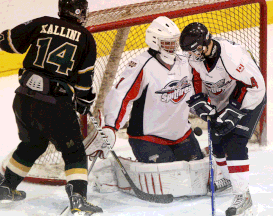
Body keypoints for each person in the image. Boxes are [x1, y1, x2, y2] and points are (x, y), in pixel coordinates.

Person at [0, 0, 103, 215]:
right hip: (55, 105)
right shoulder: (86, 37)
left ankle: (5, 188)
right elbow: (84, 80)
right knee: (74, 151)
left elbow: (7, 42)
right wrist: (84, 101)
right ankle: (78, 200)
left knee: (32, 144)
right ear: (82, 12)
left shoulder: (42, 23)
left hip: (23, 100)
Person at [86, 16, 209, 197]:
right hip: (149, 139)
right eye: (167, 43)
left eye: (174, 42)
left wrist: (206, 107)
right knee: (169, 186)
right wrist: (111, 127)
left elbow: (196, 91)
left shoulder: (185, 62)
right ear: (155, 42)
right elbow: (121, 96)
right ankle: (109, 172)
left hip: (182, 135)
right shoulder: (141, 65)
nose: (173, 47)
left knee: (198, 180)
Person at [179, 22, 266, 216]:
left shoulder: (232, 56)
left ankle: (243, 196)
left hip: (250, 98)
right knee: (217, 139)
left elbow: (253, 85)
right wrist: (199, 101)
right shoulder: (195, 58)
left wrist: (234, 111)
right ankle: (228, 178)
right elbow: (195, 80)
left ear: (206, 42)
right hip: (223, 100)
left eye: (195, 50)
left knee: (235, 143)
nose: (192, 55)